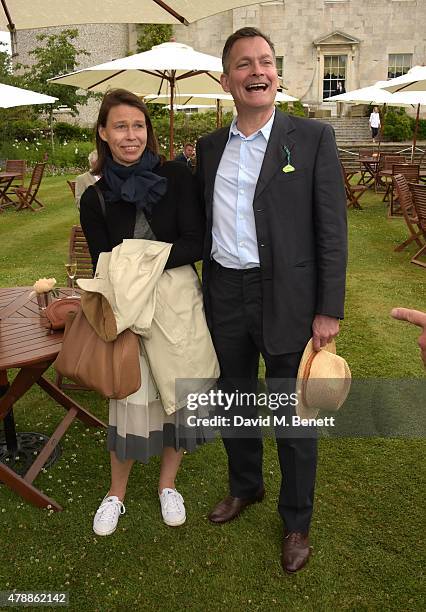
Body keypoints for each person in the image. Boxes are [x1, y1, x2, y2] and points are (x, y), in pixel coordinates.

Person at [196, 27, 347, 573]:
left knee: (294, 412)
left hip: (288, 296)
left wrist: (328, 308)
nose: (256, 71)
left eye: (265, 62)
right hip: (226, 293)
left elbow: (332, 228)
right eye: (243, 64)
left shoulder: (311, 138)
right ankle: (246, 487)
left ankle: (297, 520)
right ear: (226, 79)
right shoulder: (209, 147)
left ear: (277, 75)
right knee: (235, 400)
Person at [80, 89, 207, 536]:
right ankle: (116, 493)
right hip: (128, 307)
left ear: (147, 131)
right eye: (120, 126)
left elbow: (198, 242)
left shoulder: (176, 175)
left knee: (180, 398)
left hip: (178, 303)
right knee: (128, 398)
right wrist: (144, 262)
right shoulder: (93, 198)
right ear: (103, 132)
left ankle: (167, 485)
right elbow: (105, 265)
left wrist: (140, 260)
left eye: (138, 125)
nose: (131, 136)